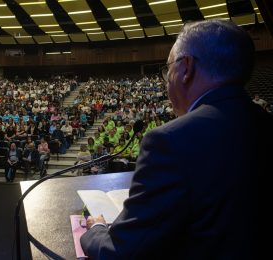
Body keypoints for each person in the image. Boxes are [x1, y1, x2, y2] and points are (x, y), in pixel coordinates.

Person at [80, 20, 273, 260]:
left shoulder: (169, 141)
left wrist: (97, 229)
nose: (166, 79)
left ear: (186, 69)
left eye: (167, 68)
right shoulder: (265, 121)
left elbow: (119, 253)